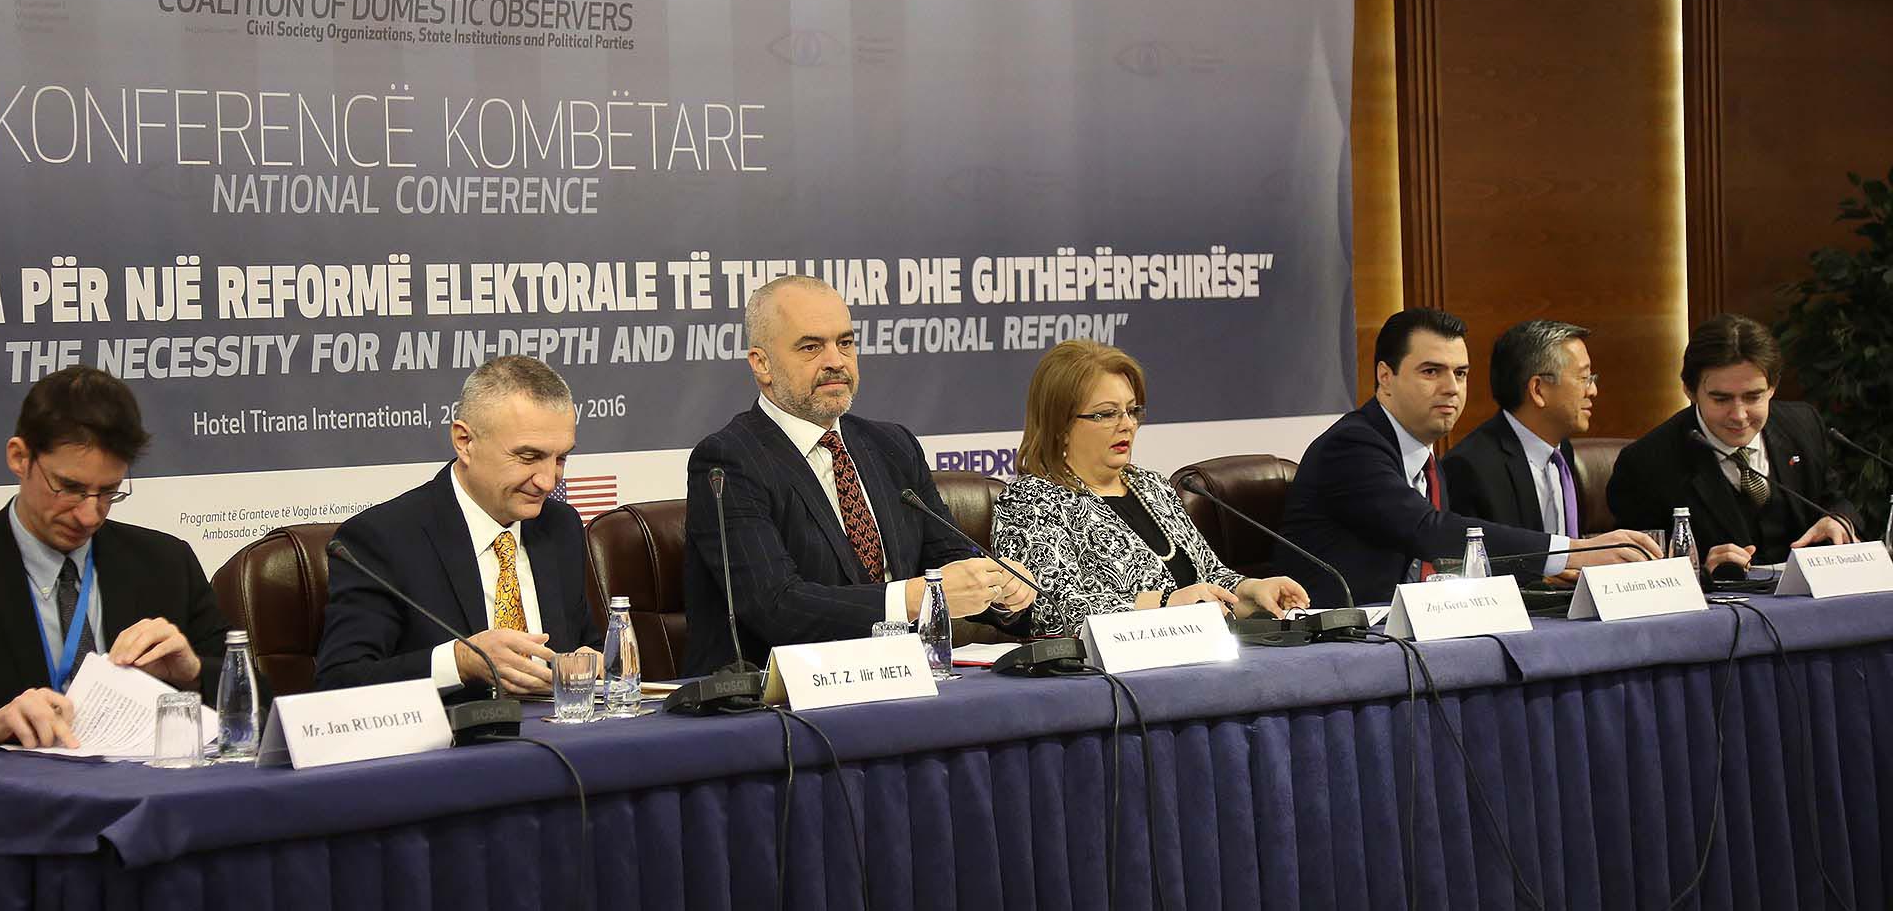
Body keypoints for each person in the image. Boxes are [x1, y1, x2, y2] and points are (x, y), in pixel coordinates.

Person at [0, 367, 226, 781]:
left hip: (149, 805)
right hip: (6, 811)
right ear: (19, 457)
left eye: (108, 492)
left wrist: (195, 674)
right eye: (69, 488)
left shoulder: (166, 564)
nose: (89, 515)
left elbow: (257, 712)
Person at [682, 276, 1035, 675]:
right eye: (811, 347)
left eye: (845, 343)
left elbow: (949, 561)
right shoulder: (728, 460)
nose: (836, 361)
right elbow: (776, 606)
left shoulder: (892, 446)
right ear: (761, 363)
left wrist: (1000, 588)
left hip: (903, 683)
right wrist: (913, 598)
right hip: (778, 698)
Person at [1278, 308, 1662, 605]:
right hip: (1335, 647)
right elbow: (1429, 530)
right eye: (1431, 371)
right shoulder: (1352, 446)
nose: (1451, 388)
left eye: (1460, 373)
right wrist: (1575, 552)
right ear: (1385, 376)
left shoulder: (1427, 461)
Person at [316, 356, 601, 701]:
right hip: (453, 733)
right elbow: (340, 682)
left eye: (560, 459)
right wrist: (460, 662)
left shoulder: (560, 525)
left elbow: (586, 644)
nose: (547, 481)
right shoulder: (384, 539)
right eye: (528, 457)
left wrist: (592, 662)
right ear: (465, 441)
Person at [989, 340, 1310, 636]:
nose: (1127, 424)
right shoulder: (1032, 501)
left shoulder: (1153, 486)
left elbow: (1208, 577)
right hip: (1109, 672)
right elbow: (1052, 611)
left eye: (1132, 411)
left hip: (1200, 655)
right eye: (1107, 414)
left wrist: (1250, 591)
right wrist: (1166, 603)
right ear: (1061, 424)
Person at [1608, 313, 1856, 577]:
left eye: (1753, 397)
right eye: (1721, 399)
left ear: (1773, 387)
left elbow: (1834, 500)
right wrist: (1701, 571)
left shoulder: (1803, 426)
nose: (1739, 415)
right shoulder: (1647, 463)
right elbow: (1640, 569)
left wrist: (1839, 521)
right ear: (1690, 391)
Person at [1442, 320, 1596, 581]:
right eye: (1584, 378)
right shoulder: (1471, 467)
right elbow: (1474, 569)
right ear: (1538, 390)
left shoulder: (1562, 452)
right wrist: (1543, 579)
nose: (1592, 390)